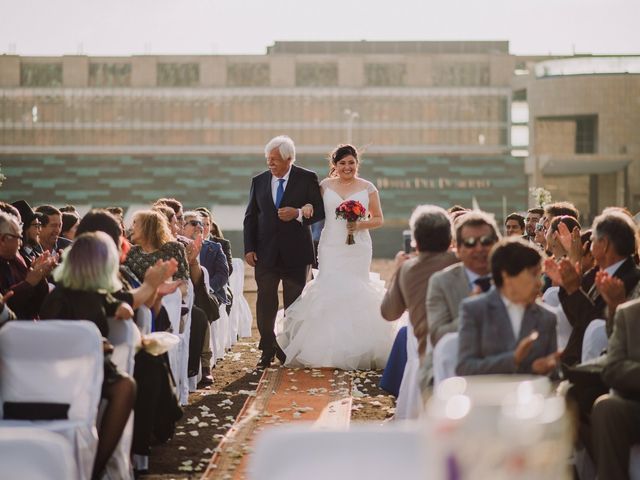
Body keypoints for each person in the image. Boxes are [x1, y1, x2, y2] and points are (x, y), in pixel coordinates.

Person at [276, 144, 398, 370]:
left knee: (355, 290)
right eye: (342, 163)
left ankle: (359, 349)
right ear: (334, 165)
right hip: (331, 245)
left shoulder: (368, 187)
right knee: (329, 290)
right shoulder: (324, 186)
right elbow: (313, 206)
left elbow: (379, 219)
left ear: (357, 164)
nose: (347, 167)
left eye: (351, 163)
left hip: (358, 248)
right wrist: (308, 206)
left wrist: (359, 224)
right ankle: (325, 351)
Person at [40, 232, 137, 479]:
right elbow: (52, 343)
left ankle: (97, 463)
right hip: (68, 370)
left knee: (128, 385)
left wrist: (121, 306)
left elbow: (110, 302)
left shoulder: (95, 292)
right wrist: (93, 344)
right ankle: (94, 470)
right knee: (125, 387)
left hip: (95, 365)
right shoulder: (59, 298)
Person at [243, 135, 325, 368]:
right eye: (268, 159)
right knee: (265, 302)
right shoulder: (258, 181)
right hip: (265, 254)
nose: (270, 164)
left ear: (289, 159)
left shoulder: (307, 178)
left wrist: (298, 213)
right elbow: (250, 218)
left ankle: (291, 348)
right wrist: (249, 248)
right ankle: (267, 348)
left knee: (295, 305)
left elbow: (320, 211)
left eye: (275, 160)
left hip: (297, 255)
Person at [457, 238, 559, 376]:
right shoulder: (475, 310)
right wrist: (513, 359)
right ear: (507, 275)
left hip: (532, 396)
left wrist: (544, 369)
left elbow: (553, 377)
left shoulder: (547, 318)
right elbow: (465, 368)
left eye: (540, 275)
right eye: (533, 274)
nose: (539, 284)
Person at [380, 205, 457, 358]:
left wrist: (397, 271)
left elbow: (389, 313)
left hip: (425, 352)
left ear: (415, 241)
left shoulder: (407, 269)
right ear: (450, 239)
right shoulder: (464, 263)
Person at [427, 211, 501, 348]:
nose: (479, 249)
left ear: (497, 244)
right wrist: (470, 312)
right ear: (458, 250)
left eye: (486, 241)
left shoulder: (512, 276)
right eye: (470, 243)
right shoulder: (441, 282)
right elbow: (437, 336)